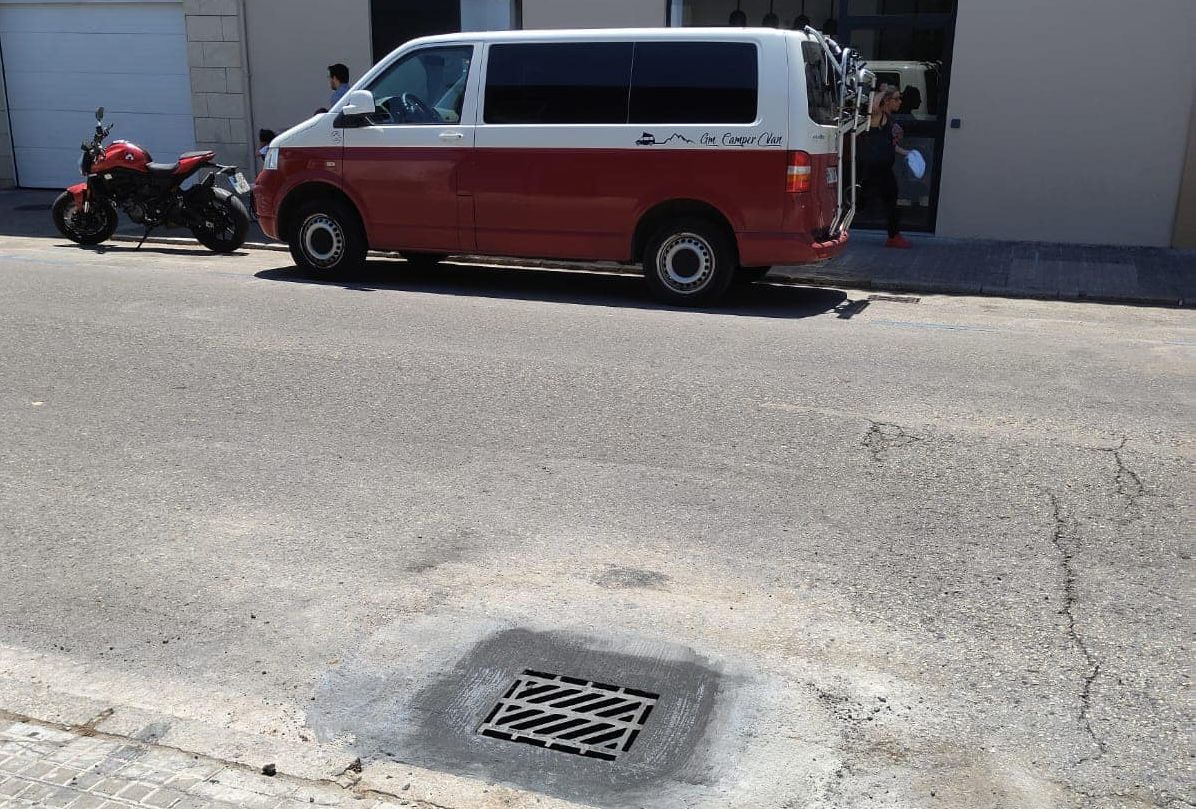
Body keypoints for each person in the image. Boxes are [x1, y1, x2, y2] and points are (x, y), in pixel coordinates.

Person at [855, 85, 912, 249]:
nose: (900, 102)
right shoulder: (877, 116)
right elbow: (873, 105)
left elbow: (889, 145)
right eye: (896, 98)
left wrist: (906, 152)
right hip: (871, 169)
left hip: (883, 169)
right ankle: (833, 228)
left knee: (890, 201)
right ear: (887, 101)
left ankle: (893, 237)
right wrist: (882, 91)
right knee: (859, 202)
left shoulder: (889, 119)